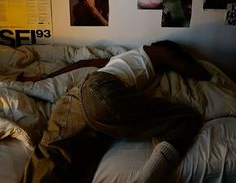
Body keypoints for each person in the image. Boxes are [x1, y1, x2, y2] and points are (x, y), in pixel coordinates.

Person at [22, 40, 211, 183]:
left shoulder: (117, 60)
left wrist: (46, 77)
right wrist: (207, 73)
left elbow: (80, 64)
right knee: (186, 119)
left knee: (56, 161)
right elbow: (177, 60)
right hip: (102, 91)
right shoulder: (153, 52)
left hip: (74, 99)